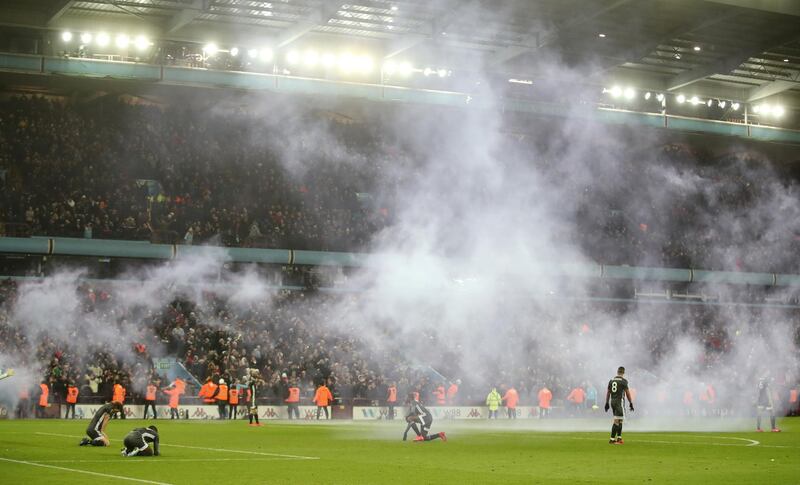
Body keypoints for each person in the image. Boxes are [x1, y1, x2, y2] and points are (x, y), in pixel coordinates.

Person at [604, 366, 634, 444]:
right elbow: (627, 393)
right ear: (623, 373)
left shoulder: (611, 381)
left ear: (617, 372)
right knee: (617, 421)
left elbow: (608, 392)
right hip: (619, 402)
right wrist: (631, 403)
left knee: (620, 420)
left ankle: (619, 438)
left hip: (612, 401)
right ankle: (612, 439)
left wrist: (607, 402)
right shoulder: (624, 381)